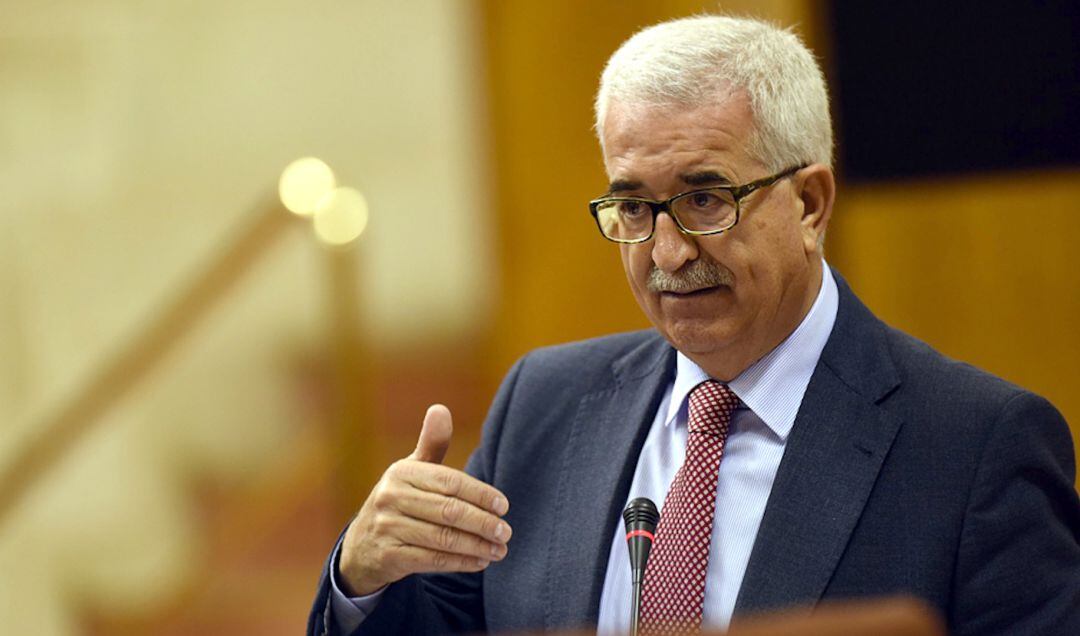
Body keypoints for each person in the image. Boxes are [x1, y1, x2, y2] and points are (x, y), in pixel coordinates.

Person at [308, 15, 1080, 636]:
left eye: (706, 199)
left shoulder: (977, 446)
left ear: (809, 204)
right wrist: (364, 577)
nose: (668, 252)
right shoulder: (543, 403)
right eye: (635, 207)